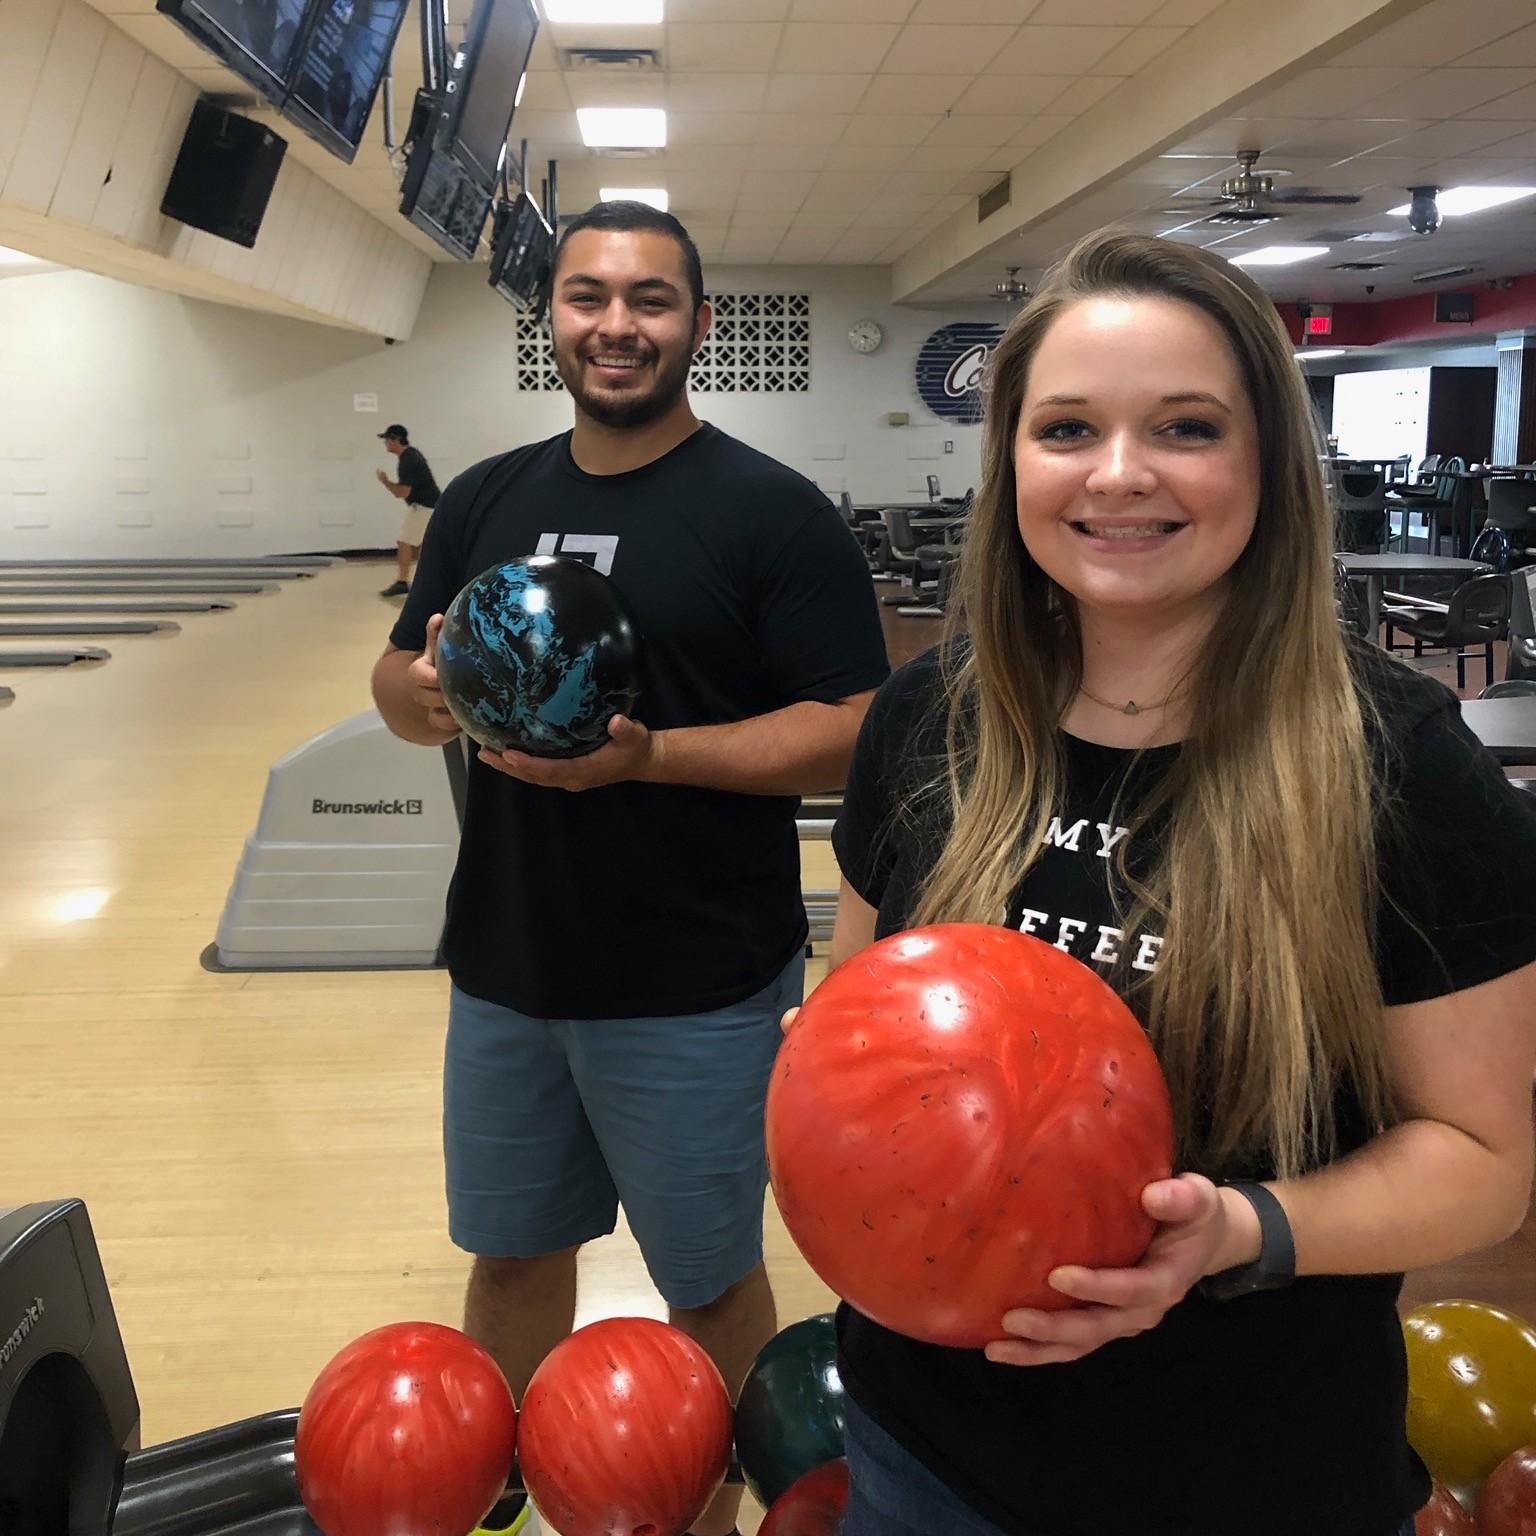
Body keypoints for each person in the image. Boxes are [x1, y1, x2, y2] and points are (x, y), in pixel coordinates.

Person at [817, 229, 1536, 1536]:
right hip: (926, 1452)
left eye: (1187, 428)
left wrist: (1245, 1228)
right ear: (1012, 462)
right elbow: (849, 1047)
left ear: (1266, 461)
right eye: (1068, 428)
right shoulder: (923, 723)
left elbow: (1485, 1163)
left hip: (1251, 1473)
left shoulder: (1405, 769)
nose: (1121, 474)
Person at [370, 201, 889, 1536]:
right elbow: (393, 675)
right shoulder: (486, 494)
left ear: (698, 325)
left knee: (708, 1284)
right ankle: (517, 1504)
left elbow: (851, 730)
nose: (616, 325)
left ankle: (689, 1515)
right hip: (506, 966)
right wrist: (426, 693)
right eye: (587, 297)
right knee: (510, 1257)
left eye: (650, 300)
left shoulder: (771, 514)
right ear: (551, 320)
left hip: (695, 981)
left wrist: (649, 758)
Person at [376, 424, 441, 597]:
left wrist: (385, 482)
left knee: (404, 543)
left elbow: (402, 492)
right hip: (429, 505)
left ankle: (402, 582)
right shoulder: (410, 456)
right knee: (421, 546)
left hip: (424, 506)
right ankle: (430, 582)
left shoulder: (408, 460)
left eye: (387, 440)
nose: (385, 444)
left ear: (395, 439)